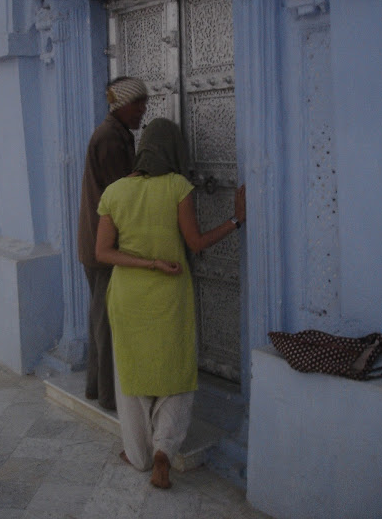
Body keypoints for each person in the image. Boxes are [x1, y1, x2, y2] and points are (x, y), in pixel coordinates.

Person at [95, 117, 246, 488]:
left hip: (128, 296)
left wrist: (147, 263)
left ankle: (138, 454)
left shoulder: (113, 193)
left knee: (131, 373)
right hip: (170, 294)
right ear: (176, 151)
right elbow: (195, 243)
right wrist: (235, 219)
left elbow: (102, 252)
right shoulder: (178, 186)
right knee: (175, 369)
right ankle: (164, 450)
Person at [78, 76, 148, 411]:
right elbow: (122, 197)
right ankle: (108, 395)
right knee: (106, 323)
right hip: (103, 249)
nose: (142, 111)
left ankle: (96, 387)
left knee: (100, 320)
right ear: (122, 106)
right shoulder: (110, 139)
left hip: (98, 245)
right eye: (138, 104)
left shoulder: (116, 135)